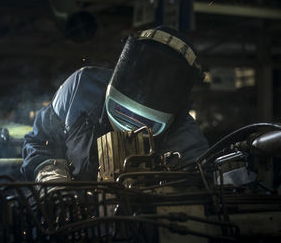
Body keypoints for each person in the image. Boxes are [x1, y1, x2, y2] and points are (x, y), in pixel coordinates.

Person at [21, 26, 209, 183]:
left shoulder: (186, 137)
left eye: (144, 123)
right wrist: (48, 172)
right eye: (123, 111)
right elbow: (39, 139)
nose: (129, 128)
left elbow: (203, 184)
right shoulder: (82, 86)